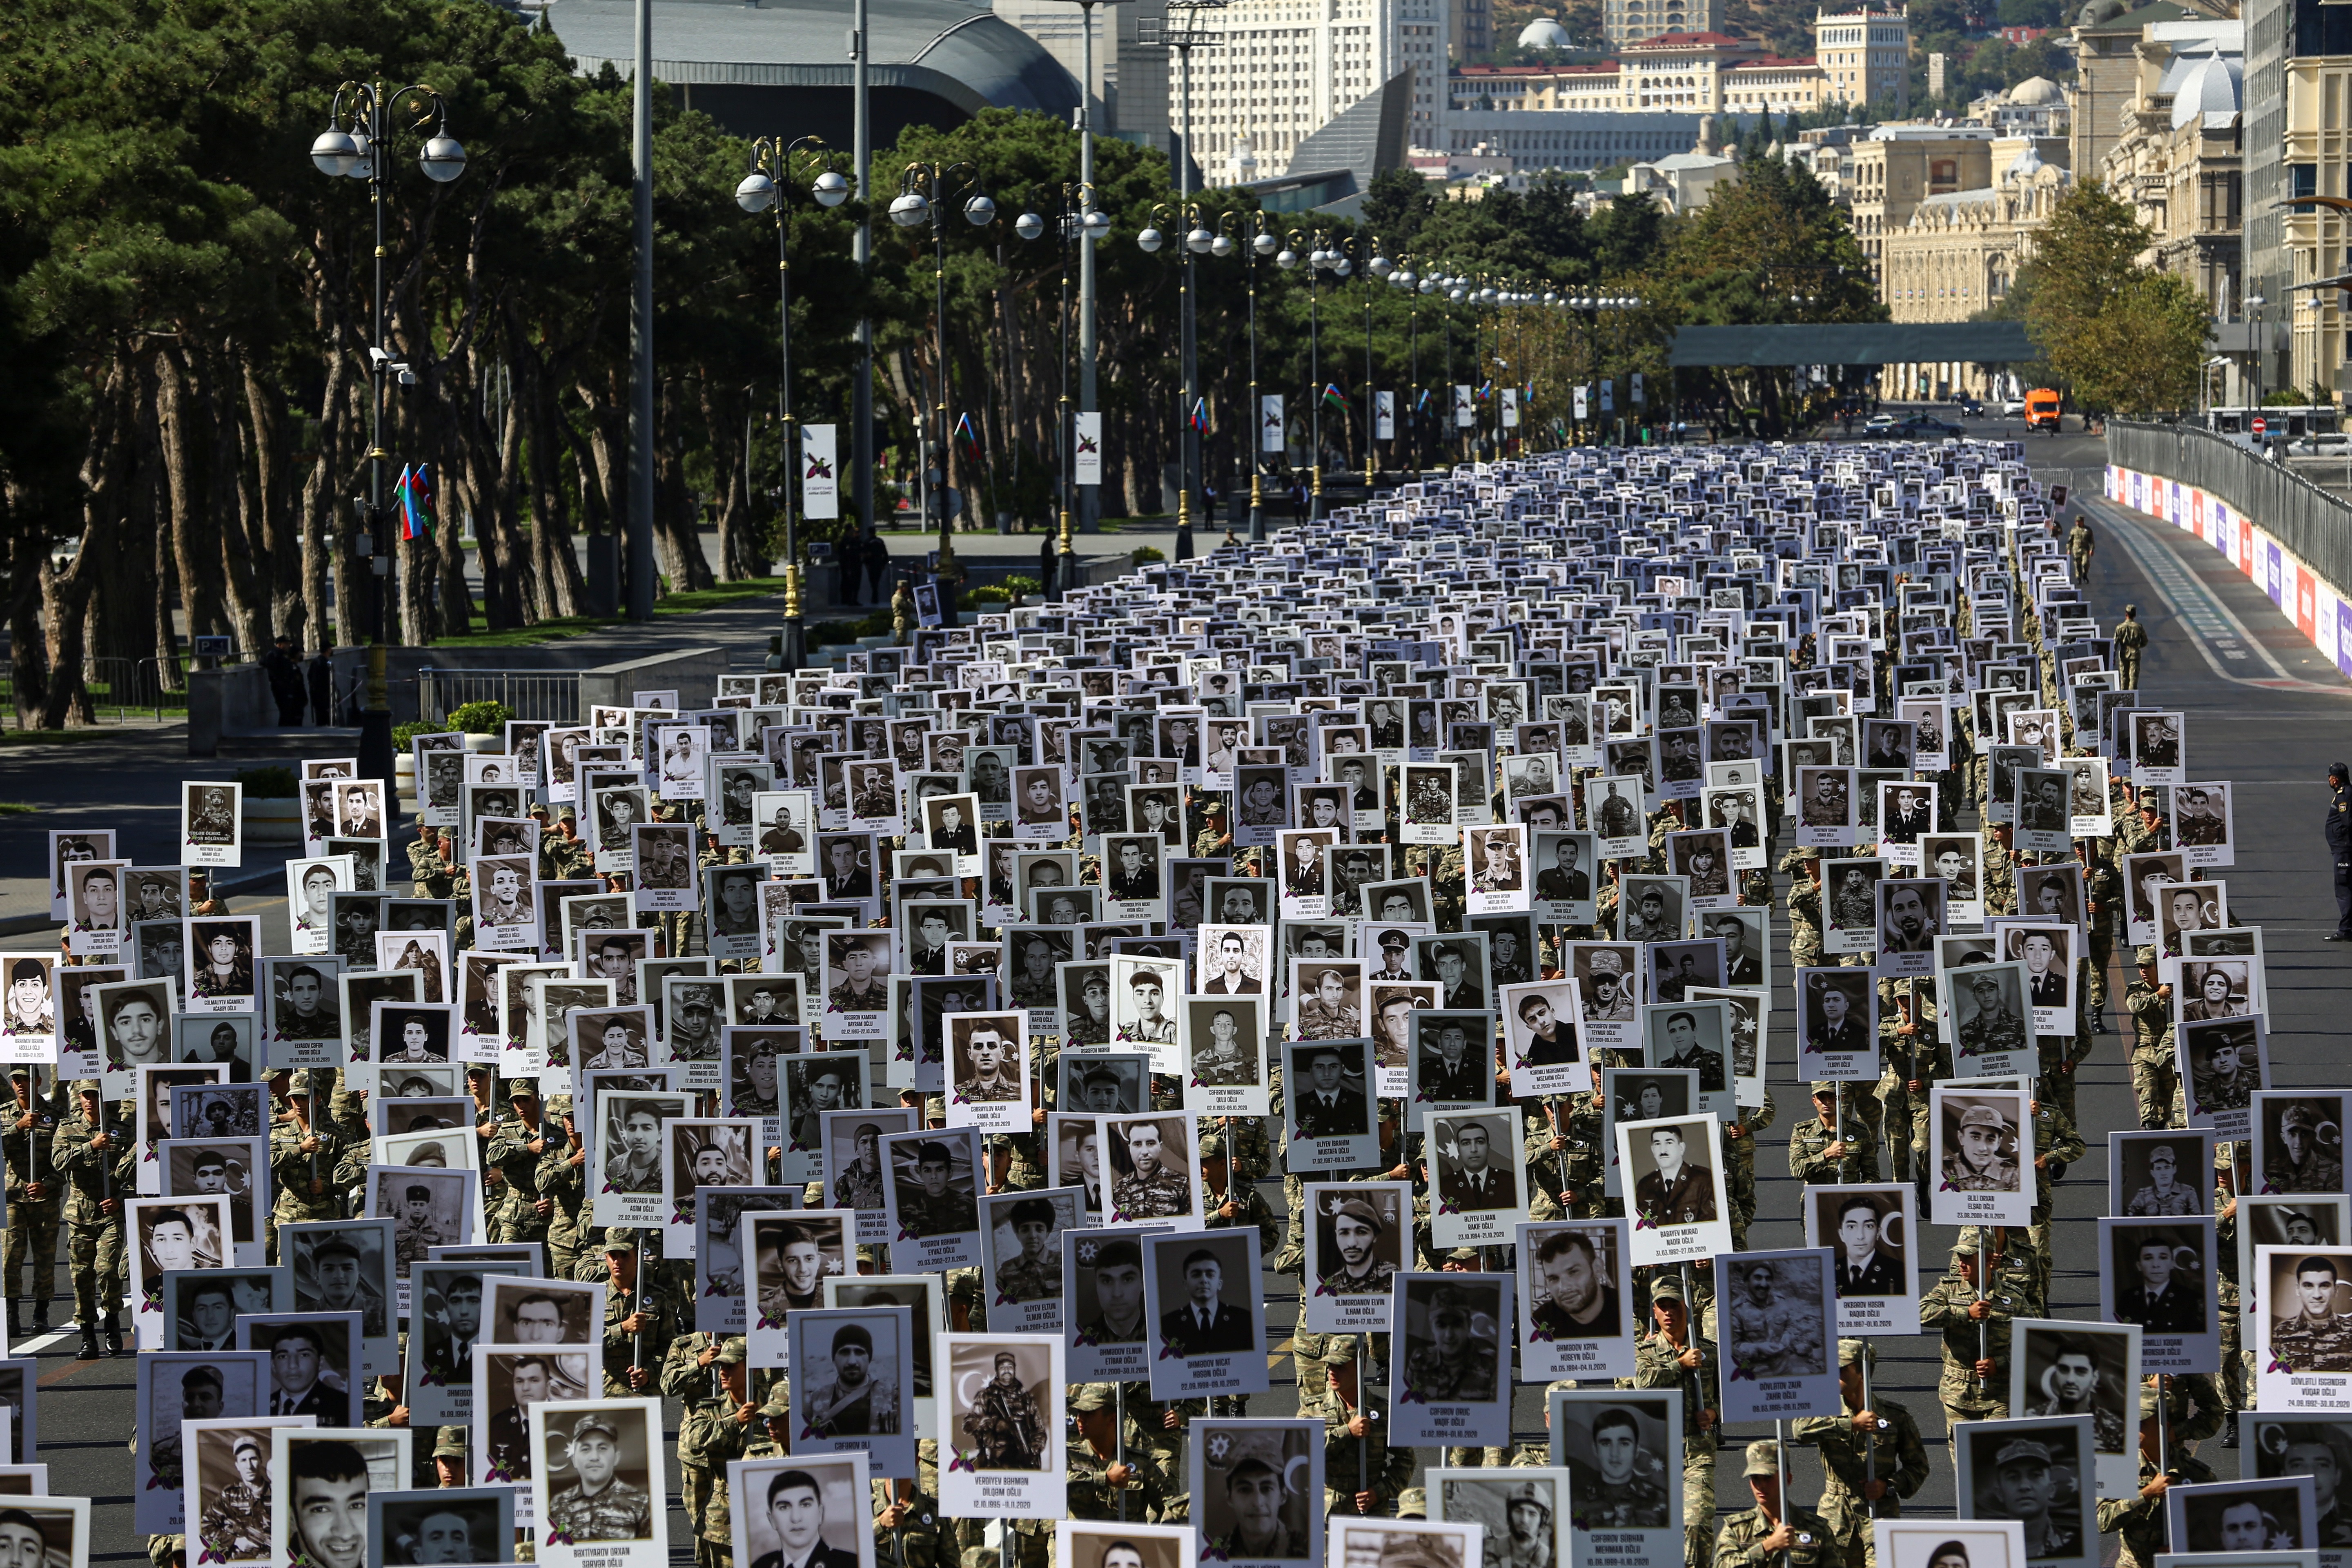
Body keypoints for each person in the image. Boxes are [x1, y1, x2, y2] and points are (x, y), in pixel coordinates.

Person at [546, 1410, 655, 1539]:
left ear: (616, 1457)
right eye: (586, 1449)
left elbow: (649, 1555)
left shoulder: (641, 1504)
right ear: (574, 1459)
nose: (594, 1457)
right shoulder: (558, 1505)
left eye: (602, 1448)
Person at [2114, 604, 2148, 690]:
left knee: (2124, 677)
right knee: (2133, 678)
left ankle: (2124, 697)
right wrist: (2138, 646)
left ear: (2126, 614)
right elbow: (2145, 641)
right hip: (2135, 654)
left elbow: (2115, 643)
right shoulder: (2138, 627)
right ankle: (2132, 698)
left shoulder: (2119, 627)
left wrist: (2112, 657)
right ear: (2135, 615)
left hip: (2123, 653)